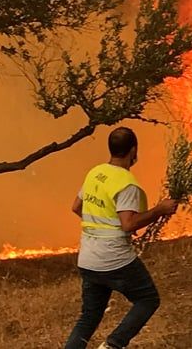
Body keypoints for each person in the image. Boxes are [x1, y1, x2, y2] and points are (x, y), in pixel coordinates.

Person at [64, 127, 179, 349]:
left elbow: (76, 206)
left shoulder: (95, 173)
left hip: (88, 258)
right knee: (148, 299)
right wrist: (159, 209)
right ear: (133, 150)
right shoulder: (126, 183)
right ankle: (114, 344)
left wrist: (100, 225)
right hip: (114, 258)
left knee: (88, 317)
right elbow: (129, 224)